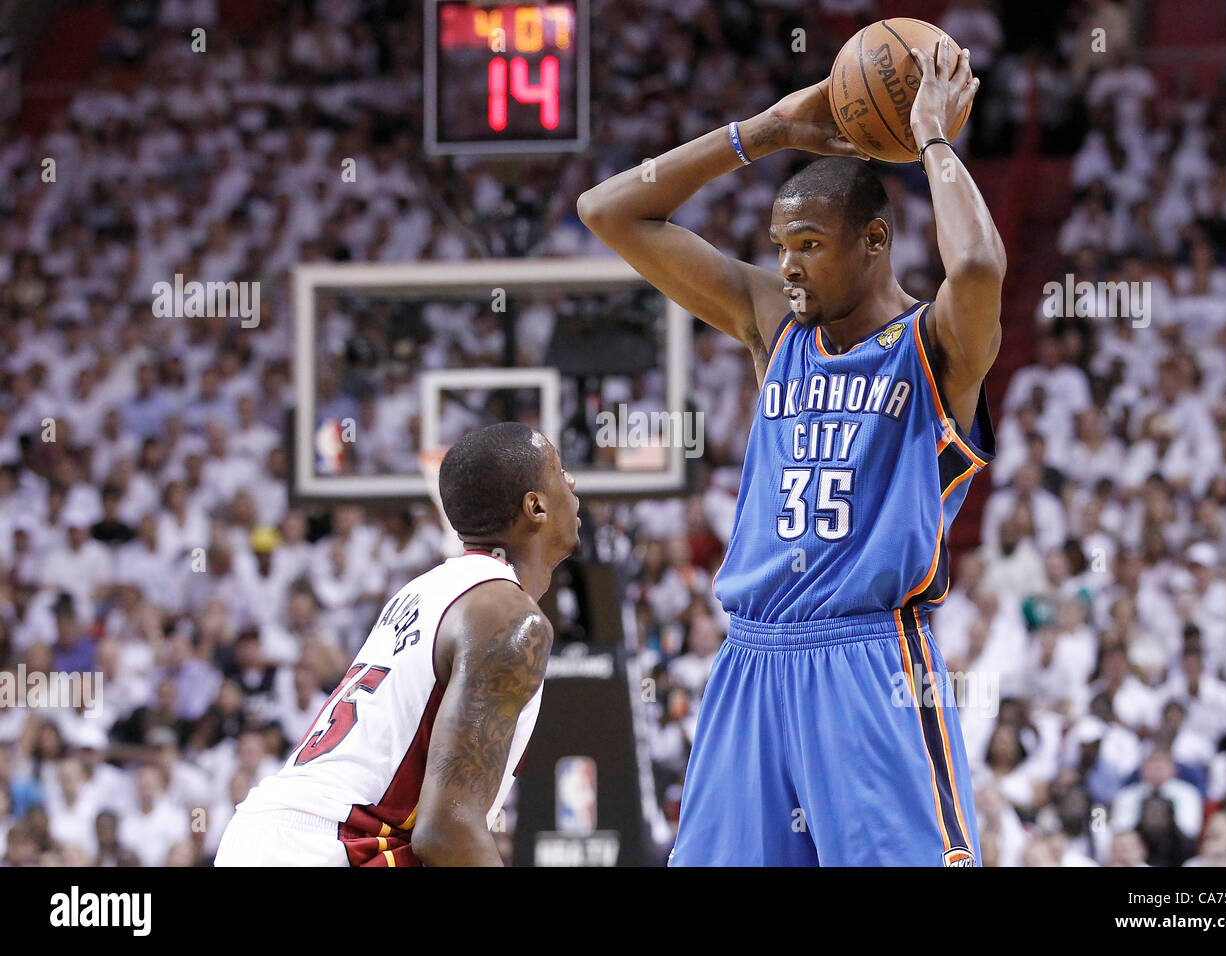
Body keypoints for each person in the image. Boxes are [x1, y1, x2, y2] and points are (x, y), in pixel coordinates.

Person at [579, 38, 1002, 866]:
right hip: (750, 661)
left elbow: (980, 262)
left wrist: (933, 142)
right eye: (779, 247)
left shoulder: (935, 344)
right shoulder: (775, 324)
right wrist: (765, 132)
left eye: (808, 244)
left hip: (871, 662)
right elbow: (609, 211)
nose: (788, 266)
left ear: (874, 242)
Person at [215, 423, 580, 865]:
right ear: (535, 507)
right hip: (328, 846)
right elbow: (447, 831)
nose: (572, 482)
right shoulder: (510, 618)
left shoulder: (423, 590)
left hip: (268, 833)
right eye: (560, 471)